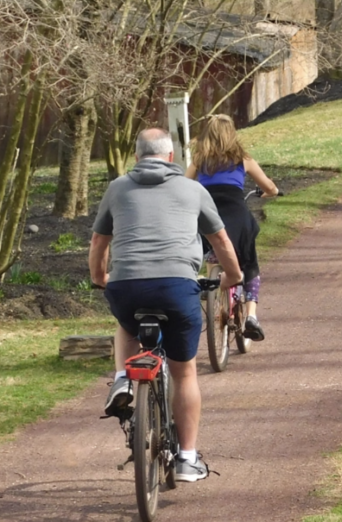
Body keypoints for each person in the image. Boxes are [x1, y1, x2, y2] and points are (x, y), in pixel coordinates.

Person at [89, 128, 242, 482]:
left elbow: (99, 239)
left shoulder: (117, 187)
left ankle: (124, 379)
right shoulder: (193, 188)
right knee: (184, 370)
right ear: (171, 157)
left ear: (137, 156)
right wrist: (232, 277)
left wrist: (100, 277)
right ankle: (187, 458)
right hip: (176, 286)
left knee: (127, 323)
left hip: (127, 285)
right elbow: (219, 238)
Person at [185, 114, 279, 342]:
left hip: (209, 217)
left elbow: (184, 185)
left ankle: (214, 292)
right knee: (249, 263)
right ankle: (251, 316)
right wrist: (269, 193)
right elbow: (270, 187)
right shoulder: (242, 159)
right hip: (237, 217)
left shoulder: (199, 160)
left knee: (211, 252)